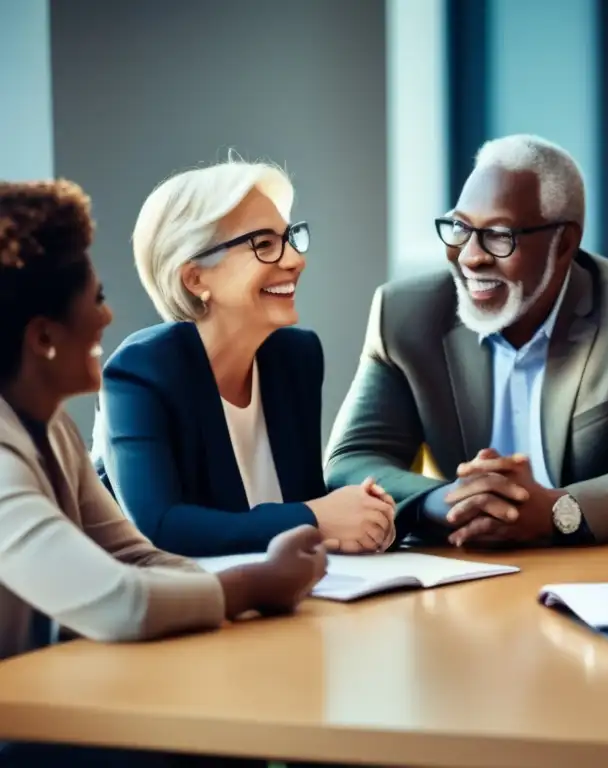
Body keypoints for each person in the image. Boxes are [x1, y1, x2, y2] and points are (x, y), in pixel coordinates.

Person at [0, 180, 327, 766]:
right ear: (43, 336)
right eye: (95, 299)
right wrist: (252, 585)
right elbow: (122, 600)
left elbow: (140, 556)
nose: (108, 316)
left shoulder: (51, 428)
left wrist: (267, 591)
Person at [325, 134, 608, 549]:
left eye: (498, 234)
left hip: (590, 571)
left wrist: (554, 511)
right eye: (459, 228)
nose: (471, 256)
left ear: (563, 243)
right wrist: (443, 500)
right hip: (462, 572)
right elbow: (350, 461)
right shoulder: (405, 314)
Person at [92, 158, 395, 558]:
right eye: (264, 244)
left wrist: (367, 517)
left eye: (289, 239)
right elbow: (161, 528)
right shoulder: (141, 370)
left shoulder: (296, 358)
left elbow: (302, 504)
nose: (294, 260)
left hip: (276, 599)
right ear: (196, 278)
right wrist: (315, 516)